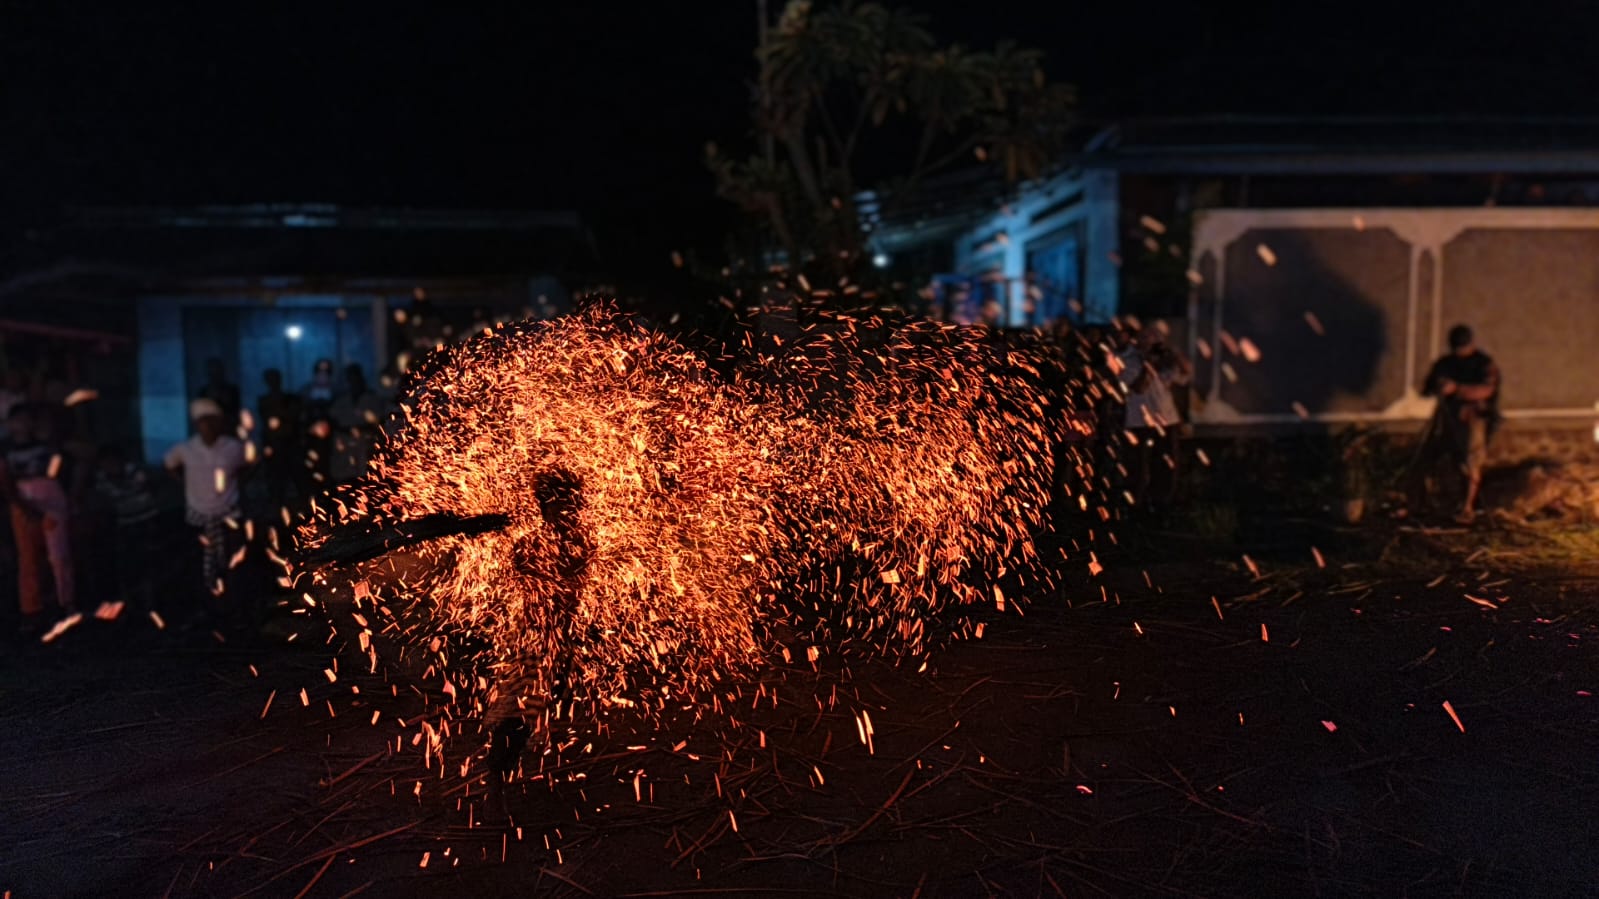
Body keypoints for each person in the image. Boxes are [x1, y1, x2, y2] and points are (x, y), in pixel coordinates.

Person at [165, 398, 253, 601]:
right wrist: (185, 483)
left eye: (213, 420)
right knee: (200, 562)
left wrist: (240, 483)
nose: (210, 425)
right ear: (197, 424)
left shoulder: (233, 447)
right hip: (198, 514)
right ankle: (205, 602)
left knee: (233, 560)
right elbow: (169, 465)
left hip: (229, 513)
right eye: (204, 421)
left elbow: (250, 463)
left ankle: (233, 602)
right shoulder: (185, 449)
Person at [0, 403, 75, 631]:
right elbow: (5, 480)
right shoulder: (5, 450)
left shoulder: (46, 446)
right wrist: (20, 503)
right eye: (18, 420)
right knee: (28, 557)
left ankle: (66, 603)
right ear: (9, 424)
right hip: (22, 499)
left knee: (59, 555)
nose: (23, 425)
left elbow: (58, 467)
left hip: (50, 497)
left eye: (27, 419)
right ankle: (32, 610)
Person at [1421, 324, 1501, 523]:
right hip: (1448, 418)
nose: (1460, 351)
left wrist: (1457, 389)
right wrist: (1437, 385)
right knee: (1441, 458)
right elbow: (1428, 387)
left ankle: (1467, 507)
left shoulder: (1483, 363)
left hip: (1474, 418)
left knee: (1471, 461)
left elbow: (1486, 389)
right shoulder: (1446, 363)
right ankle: (1439, 503)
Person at [89, 444, 160, 609]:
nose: (109, 466)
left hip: (146, 520)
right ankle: (130, 604)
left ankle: (151, 602)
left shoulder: (134, 472)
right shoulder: (101, 479)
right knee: (127, 566)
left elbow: (150, 488)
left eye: (112, 462)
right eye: (105, 463)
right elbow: (101, 500)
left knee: (147, 563)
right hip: (124, 523)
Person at [328, 364, 384, 483]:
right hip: (346, 444)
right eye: (350, 379)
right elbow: (334, 421)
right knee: (346, 479)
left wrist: (369, 425)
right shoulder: (341, 400)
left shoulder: (371, 398)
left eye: (355, 378)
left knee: (367, 478)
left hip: (366, 444)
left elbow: (380, 421)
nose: (353, 382)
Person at [257, 368, 305, 508]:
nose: (273, 382)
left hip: (291, 446)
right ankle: (277, 512)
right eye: (270, 379)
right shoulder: (264, 401)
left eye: (275, 379)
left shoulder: (291, 399)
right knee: (276, 484)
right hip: (274, 447)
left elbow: (294, 417)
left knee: (298, 480)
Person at [197, 358, 242, 429]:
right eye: (212, 373)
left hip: (229, 429)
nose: (215, 376)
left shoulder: (232, 390)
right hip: (211, 431)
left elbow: (235, 412)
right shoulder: (203, 392)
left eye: (217, 372)